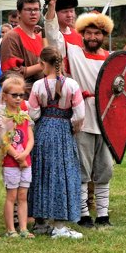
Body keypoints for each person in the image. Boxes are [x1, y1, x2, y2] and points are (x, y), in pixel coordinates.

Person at [45, 0, 115, 227]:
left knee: (104, 168)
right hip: (82, 115)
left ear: (104, 36)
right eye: (89, 33)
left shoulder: (111, 59)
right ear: (82, 34)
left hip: (106, 118)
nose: (93, 37)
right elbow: (53, 35)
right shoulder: (73, 53)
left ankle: (103, 214)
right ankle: (83, 214)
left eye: (97, 33)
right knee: (83, 168)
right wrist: (52, 7)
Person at [27, 45, 85, 238]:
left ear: (43, 64)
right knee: (62, 174)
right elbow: (79, 115)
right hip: (63, 131)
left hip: (43, 131)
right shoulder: (72, 85)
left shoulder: (37, 86)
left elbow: (33, 113)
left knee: (41, 173)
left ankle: (40, 222)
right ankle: (59, 226)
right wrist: (72, 129)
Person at [0, 75, 35, 238]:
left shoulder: (24, 115)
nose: (18, 99)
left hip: (26, 160)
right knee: (12, 195)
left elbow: (30, 137)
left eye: (21, 95)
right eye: (14, 95)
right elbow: (4, 140)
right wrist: (17, 156)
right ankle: (11, 229)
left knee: (23, 195)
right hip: (11, 162)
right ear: (5, 96)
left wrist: (25, 154)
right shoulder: (3, 117)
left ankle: (24, 228)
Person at [0, 0, 45, 91]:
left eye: (36, 9)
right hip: (22, 98)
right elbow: (11, 74)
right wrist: (42, 65)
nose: (33, 13)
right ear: (19, 13)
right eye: (28, 9)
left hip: (41, 96)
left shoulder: (39, 38)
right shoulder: (12, 37)